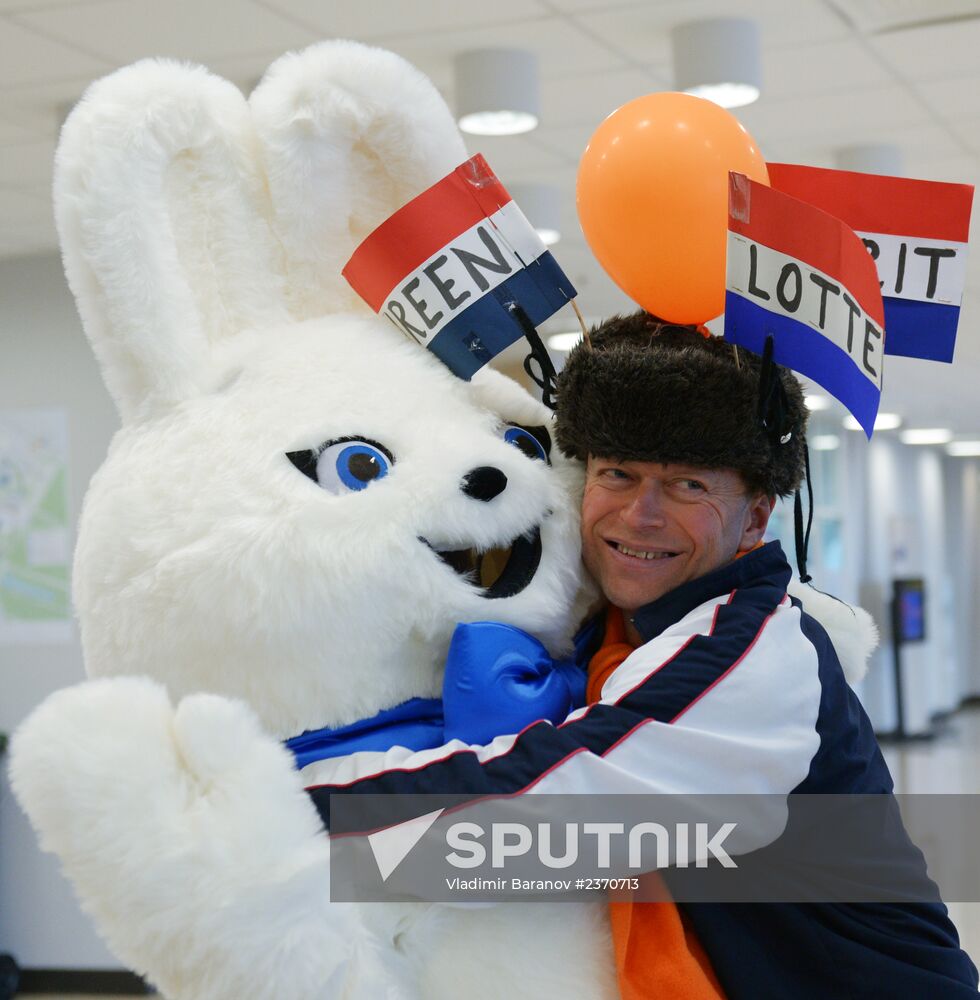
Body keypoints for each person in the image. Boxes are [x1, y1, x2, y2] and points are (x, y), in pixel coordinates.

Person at [306, 312, 979, 998]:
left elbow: (524, 828)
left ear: (755, 516)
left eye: (689, 484)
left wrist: (281, 802)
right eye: (619, 473)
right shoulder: (630, 626)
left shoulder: (751, 657)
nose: (640, 515)